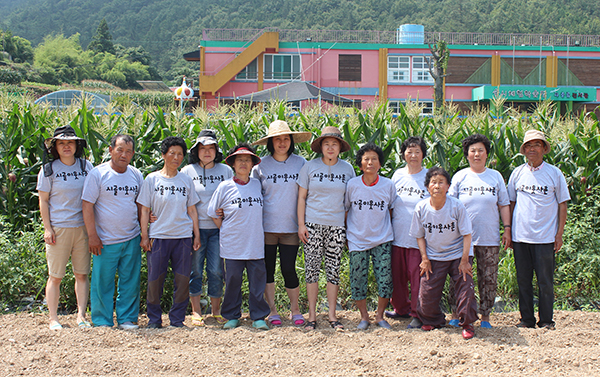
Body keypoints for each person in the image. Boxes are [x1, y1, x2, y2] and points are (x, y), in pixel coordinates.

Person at [507, 130, 570, 329]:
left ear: (544, 149)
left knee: (545, 283)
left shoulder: (554, 173)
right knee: (523, 281)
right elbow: (510, 203)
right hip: (521, 237)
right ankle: (526, 319)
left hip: (545, 237)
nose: (532, 149)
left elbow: (562, 204)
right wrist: (508, 230)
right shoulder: (517, 173)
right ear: (524, 150)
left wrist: (559, 234)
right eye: (528, 145)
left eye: (536, 145)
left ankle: (546, 321)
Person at [251, 120, 311, 327]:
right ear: (271, 143)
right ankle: (272, 311)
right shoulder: (260, 166)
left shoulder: (301, 163)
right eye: (278, 139)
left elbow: (307, 194)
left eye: (286, 139)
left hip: (291, 227)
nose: (282, 143)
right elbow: (252, 194)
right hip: (266, 227)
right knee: (268, 270)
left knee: (288, 269)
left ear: (291, 141)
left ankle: (295, 310)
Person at [448, 134, 511, 328]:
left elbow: (504, 205)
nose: (476, 154)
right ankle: (456, 313)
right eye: (472, 151)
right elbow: (450, 205)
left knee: (488, 279)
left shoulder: (495, 176)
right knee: (459, 277)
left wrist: (507, 229)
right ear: (467, 154)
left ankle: (485, 317)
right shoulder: (460, 176)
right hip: (462, 239)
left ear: (487, 154)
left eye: (480, 150)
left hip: (489, 237)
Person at [137, 136, 201, 328]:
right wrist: (145, 235)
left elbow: (192, 210)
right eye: (172, 153)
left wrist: (196, 234)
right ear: (163, 154)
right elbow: (145, 210)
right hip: (159, 237)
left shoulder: (186, 180)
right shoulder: (152, 179)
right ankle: (154, 319)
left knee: (182, 281)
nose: (176, 157)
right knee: (155, 280)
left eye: (180, 154)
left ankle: (177, 319)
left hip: (182, 237)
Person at [82, 134, 144, 329]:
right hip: (105, 240)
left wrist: (144, 233)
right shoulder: (98, 174)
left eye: (128, 151)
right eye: (119, 149)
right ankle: (102, 320)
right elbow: (87, 205)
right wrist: (92, 236)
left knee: (130, 281)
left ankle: (127, 318)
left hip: (131, 237)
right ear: (110, 150)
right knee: (103, 282)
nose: (123, 154)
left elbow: (141, 205)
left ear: (133, 154)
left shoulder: (136, 174)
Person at [297, 126, 355, 330]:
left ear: (340, 147)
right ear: (320, 147)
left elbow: (349, 201)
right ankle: (312, 316)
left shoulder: (347, 169)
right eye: (326, 143)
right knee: (311, 271)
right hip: (312, 225)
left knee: (333, 271)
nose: (330, 147)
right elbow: (302, 197)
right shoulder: (309, 167)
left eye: (334, 143)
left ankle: (332, 315)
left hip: (336, 226)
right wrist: (301, 225)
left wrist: (346, 226)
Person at [409, 167, 478, 340]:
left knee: (465, 285)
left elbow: (467, 235)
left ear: (448, 186)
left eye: (441, 182)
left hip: (458, 254)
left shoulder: (456, 206)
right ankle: (434, 320)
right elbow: (419, 236)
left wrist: (464, 261)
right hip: (434, 255)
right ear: (427, 187)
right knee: (426, 293)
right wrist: (424, 258)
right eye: (433, 182)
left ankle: (467, 323)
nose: (437, 186)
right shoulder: (421, 208)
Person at [207, 143, 270, 330]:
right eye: (239, 160)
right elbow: (213, 212)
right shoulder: (224, 187)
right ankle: (232, 316)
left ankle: (258, 316)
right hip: (232, 245)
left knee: (257, 283)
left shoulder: (258, 185)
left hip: (255, 243)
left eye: (247, 160)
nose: (243, 163)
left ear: (252, 164)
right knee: (233, 282)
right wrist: (225, 227)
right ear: (233, 164)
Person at [37, 126, 94, 330]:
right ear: (55, 147)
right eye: (62, 143)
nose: (66, 146)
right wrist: (48, 228)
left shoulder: (86, 167)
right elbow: (43, 201)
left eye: (70, 142)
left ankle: (81, 316)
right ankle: (53, 318)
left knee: (81, 274)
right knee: (56, 276)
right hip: (59, 229)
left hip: (83, 228)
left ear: (77, 145)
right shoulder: (48, 170)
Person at [181, 130, 233, 326]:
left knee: (216, 270)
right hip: (194, 229)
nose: (207, 152)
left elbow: (232, 195)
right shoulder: (187, 171)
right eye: (203, 148)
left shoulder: (225, 171)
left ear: (216, 150)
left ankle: (216, 311)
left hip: (219, 229)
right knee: (195, 270)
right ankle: (196, 311)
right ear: (196, 151)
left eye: (211, 148)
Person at [345, 143, 396, 330]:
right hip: (357, 239)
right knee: (357, 278)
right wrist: (346, 236)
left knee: (385, 279)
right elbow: (346, 209)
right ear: (360, 164)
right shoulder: (352, 185)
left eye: (374, 158)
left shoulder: (388, 185)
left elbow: (391, 211)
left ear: (380, 164)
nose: (370, 162)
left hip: (382, 239)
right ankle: (364, 317)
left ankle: (380, 316)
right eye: (366, 159)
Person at [386, 136, 429, 329]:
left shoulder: (429, 177)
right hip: (397, 235)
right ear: (403, 154)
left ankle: (417, 313)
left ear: (423, 154)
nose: (413, 155)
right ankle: (400, 309)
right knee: (398, 276)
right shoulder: (398, 175)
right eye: (409, 151)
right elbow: (390, 204)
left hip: (418, 239)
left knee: (416, 277)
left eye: (417, 151)